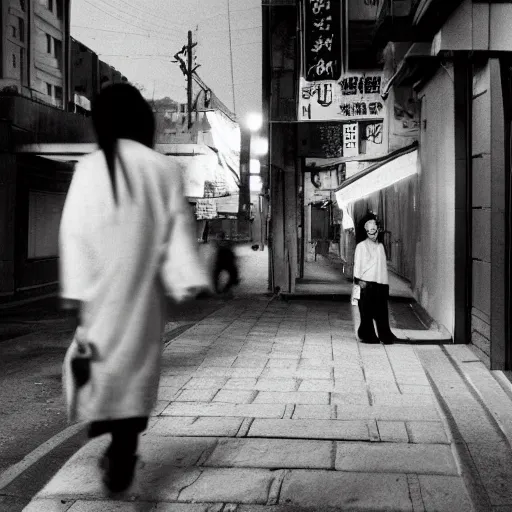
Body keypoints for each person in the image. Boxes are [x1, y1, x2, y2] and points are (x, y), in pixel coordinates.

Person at [59, 83, 207, 493]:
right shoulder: (162, 168)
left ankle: (108, 433)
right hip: (142, 294)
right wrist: (184, 278)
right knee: (136, 374)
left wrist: (77, 288)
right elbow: (177, 228)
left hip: (99, 294)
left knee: (101, 368)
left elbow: (74, 231)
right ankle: (124, 448)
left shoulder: (89, 168)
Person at [353, 214, 398, 345]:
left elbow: (382, 268)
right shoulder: (361, 246)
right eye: (370, 231)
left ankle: (385, 335)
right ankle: (367, 334)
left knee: (382, 312)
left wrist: (385, 285)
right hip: (365, 283)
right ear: (366, 231)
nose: (373, 234)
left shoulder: (380, 247)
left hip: (380, 283)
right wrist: (358, 281)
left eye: (375, 230)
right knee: (366, 313)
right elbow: (358, 265)